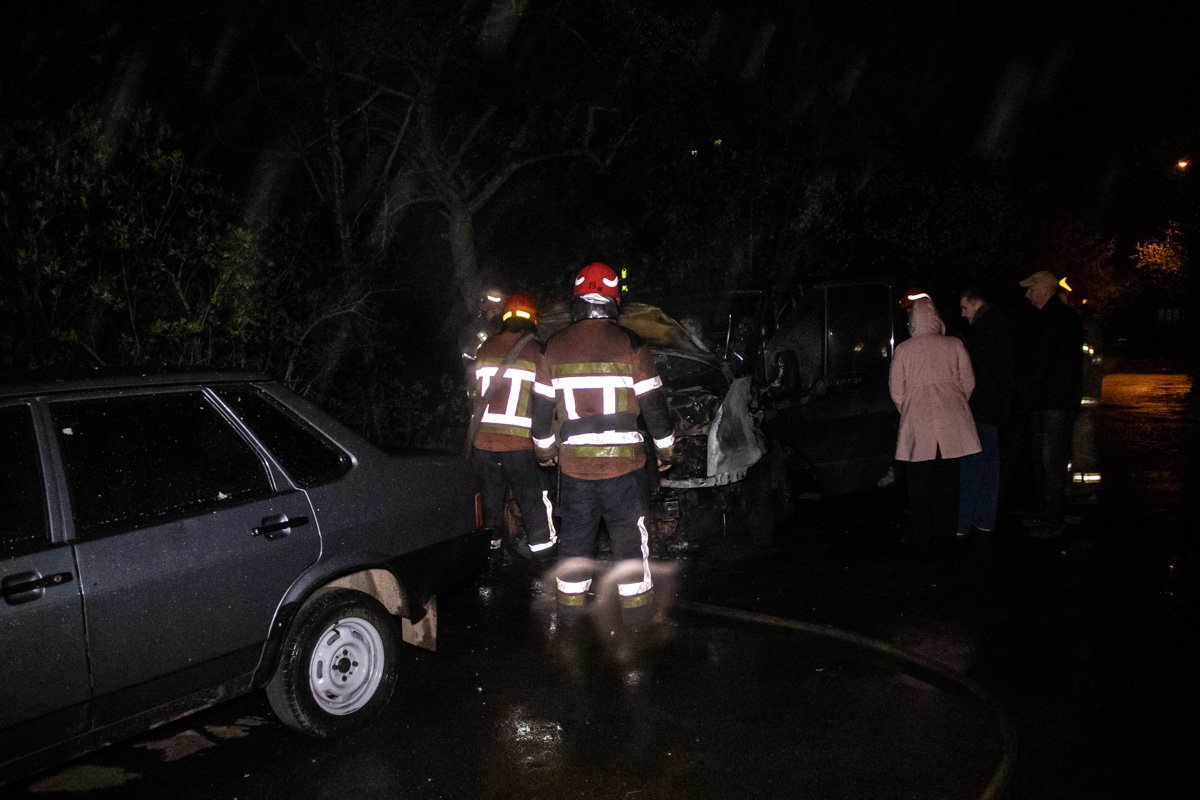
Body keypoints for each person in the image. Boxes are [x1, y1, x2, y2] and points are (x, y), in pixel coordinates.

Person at [530, 262, 675, 627]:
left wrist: (545, 452)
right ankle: (637, 617)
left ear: (577, 300)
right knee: (629, 540)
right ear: (613, 301)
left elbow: (541, 412)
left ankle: (570, 617)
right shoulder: (631, 344)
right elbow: (654, 407)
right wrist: (666, 450)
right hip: (623, 468)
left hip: (575, 469)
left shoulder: (552, 348)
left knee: (575, 540)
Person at [469, 293, 556, 563]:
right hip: (520, 446)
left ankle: (491, 552)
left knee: (490, 502)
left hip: (484, 445)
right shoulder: (537, 352)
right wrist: (547, 447)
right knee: (533, 501)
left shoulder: (485, 349)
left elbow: (472, 394)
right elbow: (545, 403)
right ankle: (543, 556)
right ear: (533, 321)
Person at [889, 291, 981, 546]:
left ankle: (920, 533)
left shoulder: (904, 350)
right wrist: (955, 402)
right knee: (948, 481)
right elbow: (968, 382)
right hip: (951, 424)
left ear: (914, 321)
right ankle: (945, 532)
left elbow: (896, 391)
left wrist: (910, 408)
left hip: (919, 425)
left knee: (919, 483)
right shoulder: (954, 345)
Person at [1016, 269, 1085, 539]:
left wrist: (1025, 386)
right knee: (1044, 461)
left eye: (1031, 288)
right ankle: (1047, 512)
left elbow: (1043, 362)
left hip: (1053, 402)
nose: (1027, 294)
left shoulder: (1059, 320)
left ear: (1044, 289)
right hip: (1046, 401)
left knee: (1050, 461)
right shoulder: (1047, 318)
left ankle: (1052, 519)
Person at [957, 286, 1015, 537]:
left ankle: (962, 523)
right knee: (990, 466)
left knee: (971, 464)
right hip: (996, 408)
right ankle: (984, 519)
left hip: (981, 408)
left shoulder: (984, 329)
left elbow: (976, 373)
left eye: (964, 307)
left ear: (976, 302)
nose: (963, 314)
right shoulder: (1000, 324)